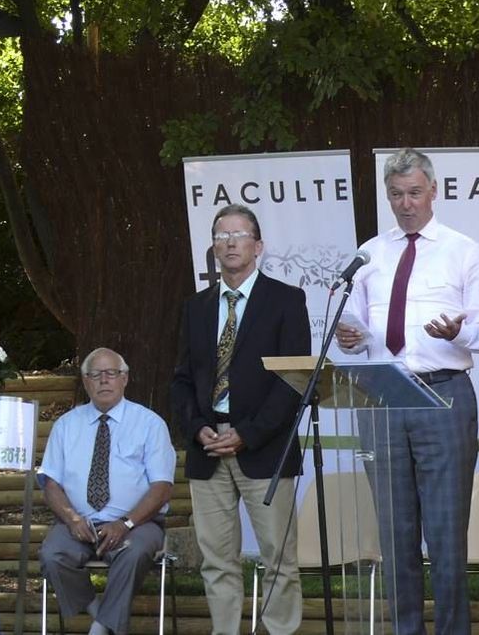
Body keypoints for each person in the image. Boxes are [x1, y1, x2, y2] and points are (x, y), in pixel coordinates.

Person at [335, 147, 479, 634]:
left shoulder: (462, 250)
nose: (405, 204)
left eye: (413, 193)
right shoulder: (370, 253)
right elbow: (360, 328)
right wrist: (351, 335)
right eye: (395, 195)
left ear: (433, 191)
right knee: (395, 532)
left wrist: (459, 334)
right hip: (382, 398)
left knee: (446, 534)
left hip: (444, 395)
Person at [170, 204, 311, 635]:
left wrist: (246, 435)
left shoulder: (286, 300)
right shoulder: (195, 307)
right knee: (217, 561)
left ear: (258, 246)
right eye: (221, 235)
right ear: (213, 248)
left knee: (280, 560)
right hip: (208, 449)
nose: (230, 242)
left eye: (239, 234)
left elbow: (294, 381)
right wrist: (198, 428)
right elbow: (181, 381)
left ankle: (280, 630)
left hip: (264, 450)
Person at [38, 347, 176, 635]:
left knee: (134, 552)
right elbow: (51, 484)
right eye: (95, 375)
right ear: (85, 382)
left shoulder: (150, 424)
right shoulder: (66, 425)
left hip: (138, 523)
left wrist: (125, 523)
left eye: (111, 373)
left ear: (124, 379)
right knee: (52, 554)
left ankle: (100, 629)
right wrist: (73, 519)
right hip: (80, 523)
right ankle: (100, 615)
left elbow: (162, 487)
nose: (104, 380)